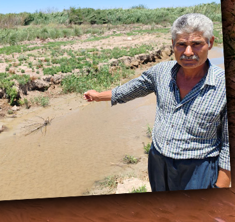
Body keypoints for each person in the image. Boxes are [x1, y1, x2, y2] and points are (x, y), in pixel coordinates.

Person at [83, 13, 230, 191]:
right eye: (181, 44)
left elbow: (229, 144)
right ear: (173, 44)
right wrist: (98, 96)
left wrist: (220, 187)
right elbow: (131, 89)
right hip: (158, 161)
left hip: (199, 168)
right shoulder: (161, 72)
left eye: (196, 44)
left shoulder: (224, 85)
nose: (188, 52)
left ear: (210, 43)